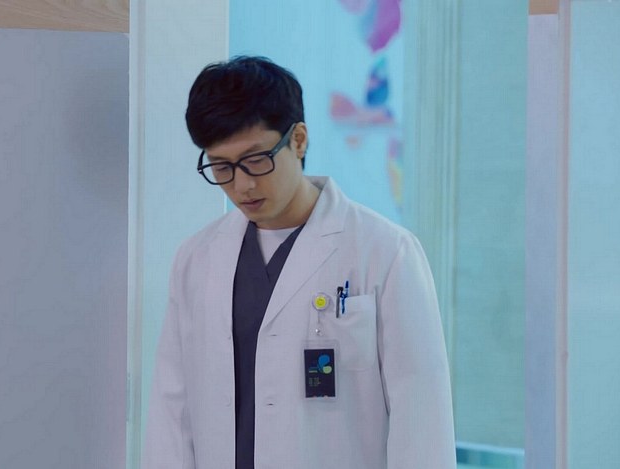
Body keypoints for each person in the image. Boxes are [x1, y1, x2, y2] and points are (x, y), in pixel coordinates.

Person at [143, 56, 455, 469]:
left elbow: (421, 417)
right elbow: (172, 408)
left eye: (256, 160)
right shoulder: (196, 258)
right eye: (221, 166)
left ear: (299, 140)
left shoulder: (386, 252)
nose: (242, 184)